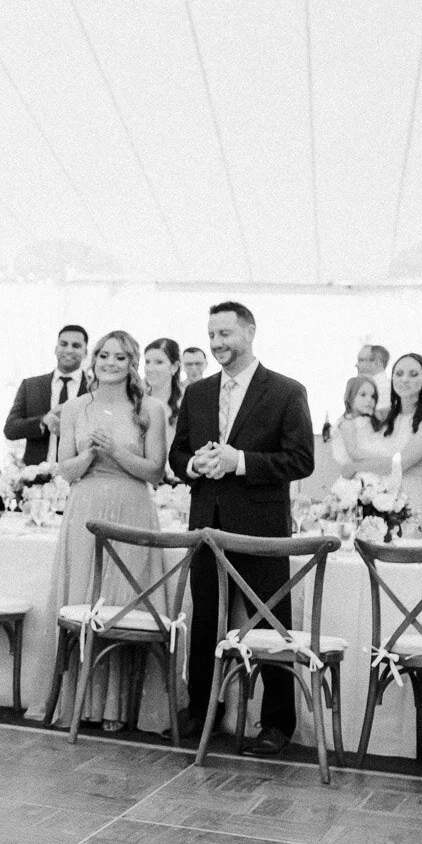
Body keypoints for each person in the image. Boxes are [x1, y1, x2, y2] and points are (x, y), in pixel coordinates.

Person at [169, 302, 314, 757]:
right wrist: (195, 463)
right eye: (211, 334)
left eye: (225, 334)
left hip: (262, 528)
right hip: (207, 526)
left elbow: (301, 460)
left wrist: (241, 462)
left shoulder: (287, 391)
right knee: (205, 618)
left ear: (250, 331)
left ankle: (277, 723)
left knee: (270, 623)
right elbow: (178, 455)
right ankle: (199, 709)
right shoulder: (196, 393)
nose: (216, 344)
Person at [49, 331, 168, 730]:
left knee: (123, 602)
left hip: (132, 509)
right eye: (104, 355)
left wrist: (117, 452)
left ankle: (118, 708)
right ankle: (80, 704)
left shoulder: (150, 408)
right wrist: (90, 454)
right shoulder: (74, 408)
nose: (110, 363)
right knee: (84, 598)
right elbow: (65, 469)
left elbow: (155, 470)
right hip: (85, 506)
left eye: (119, 357)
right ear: (93, 360)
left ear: (131, 363)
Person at [4, 325, 89, 467]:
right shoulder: (31, 385)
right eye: (63, 344)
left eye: (76, 346)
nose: (68, 350)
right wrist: (43, 421)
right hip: (36, 479)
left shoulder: (94, 389)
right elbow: (10, 429)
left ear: (85, 353)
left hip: (80, 477)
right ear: (56, 349)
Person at [376, 354, 422, 516]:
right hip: (380, 498)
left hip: (415, 499)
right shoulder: (382, 415)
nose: (405, 380)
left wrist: (356, 466)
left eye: (413, 374)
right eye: (399, 374)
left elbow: (402, 462)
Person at [331, 375, 393, 477]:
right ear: (350, 397)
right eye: (363, 395)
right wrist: (381, 458)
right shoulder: (348, 423)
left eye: (373, 396)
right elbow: (354, 452)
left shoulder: (368, 420)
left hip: (370, 469)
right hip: (358, 474)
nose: (369, 400)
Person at [143, 338, 184, 435]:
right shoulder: (138, 402)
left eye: (159, 362)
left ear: (174, 366)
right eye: (147, 362)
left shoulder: (186, 404)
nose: (150, 369)